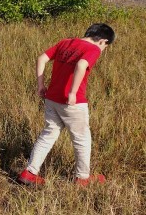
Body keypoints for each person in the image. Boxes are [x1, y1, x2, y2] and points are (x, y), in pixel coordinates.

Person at [17, 23, 115, 187]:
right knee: (82, 138)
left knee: (48, 134)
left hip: (52, 98)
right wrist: (72, 93)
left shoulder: (65, 42)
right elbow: (81, 65)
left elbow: (41, 58)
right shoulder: (94, 49)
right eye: (106, 45)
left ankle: (30, 172)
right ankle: (83, 178)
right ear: (102, 41)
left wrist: (41, 86)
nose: (104, 49)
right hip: (73, 103)